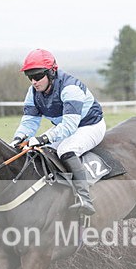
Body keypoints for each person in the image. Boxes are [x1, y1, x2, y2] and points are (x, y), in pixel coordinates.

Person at [10, 48, 106, 216]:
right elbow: (30, 121)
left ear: (52, 72)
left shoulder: (70, 88)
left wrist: (44, 137)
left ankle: (85, 198)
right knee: (40, 151)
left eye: (38, 76)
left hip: (90, 125)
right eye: (30, 77)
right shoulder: (33, 92)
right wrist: (18, 139)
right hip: (65, 126)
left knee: (66, 150)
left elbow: (69, 126)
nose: (34, 81)